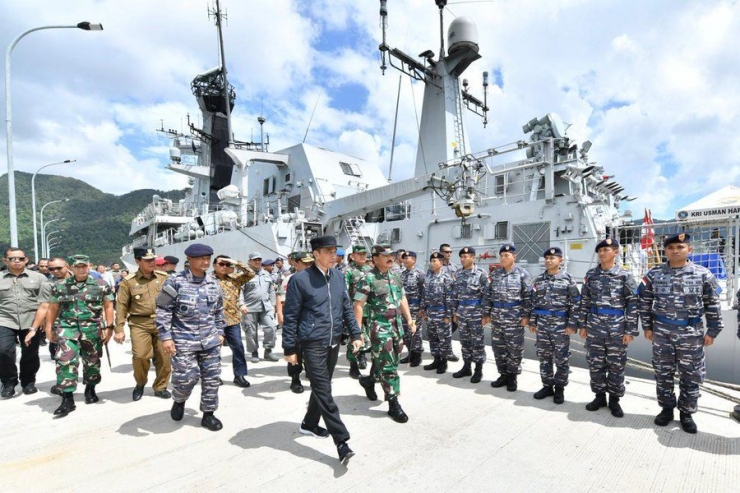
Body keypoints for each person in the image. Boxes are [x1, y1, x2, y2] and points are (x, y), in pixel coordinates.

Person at [282, 236, 363, 466]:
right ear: (316, 253)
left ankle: (309, 424)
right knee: (324, 389)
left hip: (333, 341)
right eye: (328, 251)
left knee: (321, 386)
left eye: (334, 251)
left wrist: (355, 334)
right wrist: (290, 348)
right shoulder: (300, 280)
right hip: (312, 342)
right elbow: (290, 316)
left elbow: (346, 307)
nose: (333, 255)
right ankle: (341, 441)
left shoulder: (338, 276)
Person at [639, 234, 723, 433]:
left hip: (691, 333)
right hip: (662, 333)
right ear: (664, 251)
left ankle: (686, 412)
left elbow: (713, 304)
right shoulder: (653, 274)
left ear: (689, 249)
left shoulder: (703, 274)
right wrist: (647, 327)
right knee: (663, 372)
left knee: (691, 374)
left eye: (679, 246)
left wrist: (713, 330)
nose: (675, 251)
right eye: (670, 247)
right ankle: (666, 409)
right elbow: (644, 302)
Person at [156, 243, 226, 431]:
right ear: (189, 259)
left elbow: (219, 310)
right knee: (187, 377)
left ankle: (208, 414)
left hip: (210, 340)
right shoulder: (176, 281)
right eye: (200, 259)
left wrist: (220, 331)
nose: (205, 262)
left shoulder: (213, 282)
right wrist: (166, 337)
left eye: (207, 259)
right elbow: (163, 310)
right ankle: (179, 400)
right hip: (183, 340)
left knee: (212, 378)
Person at [46, 255, 115, 416]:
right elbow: (53, 308)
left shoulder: (100, 285)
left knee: (92, 360)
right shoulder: (60, 286)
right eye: (77, 266)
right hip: (67, 328)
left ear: (89, 266)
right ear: (71, 267)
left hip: (92, 328)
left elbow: (109, 306)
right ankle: (67, 397)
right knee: (65, 360)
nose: (81, 269)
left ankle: (90, 388)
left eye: (84, 266)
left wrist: (109, 326)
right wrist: (49, 327)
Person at [354, 245, 416, 423]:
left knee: (389, 360)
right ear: (375, 258)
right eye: (386, 255)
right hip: (380, 328)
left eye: (392, 255)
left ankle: (369, 380)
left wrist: (409, 320)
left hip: (397, 327)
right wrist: (358, 333)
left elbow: (402, 298)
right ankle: (393, 403)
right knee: (389, 367)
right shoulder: (368, 278)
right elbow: (358, 304)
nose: (391, 258)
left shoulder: (395, 276)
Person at [577, 238, 638, 418]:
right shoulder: (591, 275)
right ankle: (599, 396)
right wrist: (583, 324)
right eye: (600, 250)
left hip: (616, 328)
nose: (602, 253)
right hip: (594, 327)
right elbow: (585, 301)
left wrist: (630, 330)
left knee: (616, 365)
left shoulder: (624, 276)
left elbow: (633, 303)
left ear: (616, 252)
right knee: (595, 364)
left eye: (606, 250)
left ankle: (614, 400)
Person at [114, 247, 172, 401]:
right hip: (139, 323)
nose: (152, 262)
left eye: (153, 259)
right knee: (140, 356)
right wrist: (119, 328)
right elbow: (121, 305)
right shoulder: (129, 281)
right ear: (137, 261)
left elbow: (175, 300)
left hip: (162, 322)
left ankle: (160, 386)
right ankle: (140, 383)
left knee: (164, 357)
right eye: (147, 260)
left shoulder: (163, 277)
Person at [528, 247, 580, 403]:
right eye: (547, 258)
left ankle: (560, 389)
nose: (549, 261)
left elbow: (575, 303)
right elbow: (533, 302)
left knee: (562, 358)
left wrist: (572, 324)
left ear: (560, 260)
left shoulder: (568, 279)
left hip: (561, 326)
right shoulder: (538, 280)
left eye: (553, 258)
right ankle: (547, 386)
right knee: (544, 357)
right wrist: (533, 321)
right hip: (542, 325)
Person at [484, 244, 533, 391]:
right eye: (502, 255)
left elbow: (529, 297)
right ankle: (503, 374)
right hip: (497, 318)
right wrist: (486, 313)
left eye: (507, 255)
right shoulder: (495, 274)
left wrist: (526, 315)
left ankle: (512, 377)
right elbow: (488, 295)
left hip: (514, 318)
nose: (503, 258)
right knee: (498, 348)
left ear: (514, 256)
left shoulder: (523, 274)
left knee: (514, 349)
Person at [0, 248, 48, 398]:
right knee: (3, 351)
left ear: (26, 260)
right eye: (13, 258)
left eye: (20, 258)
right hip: (5, 319)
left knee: (30, 353)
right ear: (5, 260)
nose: (17, 261)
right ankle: (9, 381)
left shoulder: (39, 278)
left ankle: (28, 381)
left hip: (31, 320)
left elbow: (45, 303)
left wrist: (44, 323)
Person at [29, 257, 72, 392]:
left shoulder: (81, 278)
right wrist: (40, 328)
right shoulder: (48, 285)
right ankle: (63, 384)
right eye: (51, 269)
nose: (55, 271)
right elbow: (44, 307)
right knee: (62, 356)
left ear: (67, 266)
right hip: (61, 325)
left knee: (90, 359)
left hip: (86, 324)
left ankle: (90, 387)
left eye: (59, 268)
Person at [212, 254, 255, 388]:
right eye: (221, 264)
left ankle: (239, 375)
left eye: (227, 264)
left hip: (232, 320)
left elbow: (251, 273)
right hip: (213, 320)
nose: (225, 267)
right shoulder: (207, 279)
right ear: (214, 265)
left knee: (238, 348)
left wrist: (235, 262)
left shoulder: (235, 278)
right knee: (214, 350)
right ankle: (214, 375)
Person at [449, 246, 489, 383]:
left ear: (473, 258)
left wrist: (485, 314)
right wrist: (455, 312)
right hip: (461, 313)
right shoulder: (458, 274)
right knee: (464, 341)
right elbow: (454, 294)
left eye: (466, 256)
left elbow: (486, 295)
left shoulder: (481, 273)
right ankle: (467, 367)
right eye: (461, 257)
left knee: (477, 342)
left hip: (476, 314)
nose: (463, 259)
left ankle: (478, 370)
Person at [276, 252, 313, 393]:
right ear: (296, 263)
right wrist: (280, 314)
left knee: (311, 350)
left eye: (310, 263)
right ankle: (295, 378)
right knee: (295, 349)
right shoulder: (289, 279)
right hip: (295, 320)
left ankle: (310, 372)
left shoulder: (316, 278)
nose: (309, 266)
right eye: (306, 263)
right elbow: (280, 297)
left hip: (310, 321)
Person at [420, 252, 453, 374]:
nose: (432, 263)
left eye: (435, 261)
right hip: (430, 312)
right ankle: (436, 359)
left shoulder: (447, 278)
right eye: (431, 261)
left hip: (442, 313)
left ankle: (443, 362)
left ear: (442, 263)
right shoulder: (428, 277)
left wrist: (448, 315)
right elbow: (425, 295)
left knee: (443, 339)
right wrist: (423, 310)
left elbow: (450, 298)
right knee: (432, 338)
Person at [242, 252, 279, 363]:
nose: (257, 262)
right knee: (251, 331)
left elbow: (271, 290)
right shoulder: (244, 274)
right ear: (249, 261)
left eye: (259, 260)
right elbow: (239, 291)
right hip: (249, 307)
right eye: (255, 260)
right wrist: (241, 304)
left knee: (271, 327)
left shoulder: (266, 274)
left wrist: (273, 305)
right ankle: (254, 352)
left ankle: (268, 350)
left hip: (265, 306)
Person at [344, 245, 371, 378]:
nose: (362, 256)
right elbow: (344, 293)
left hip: (369, 310)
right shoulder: (348, 271)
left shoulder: (369, 270)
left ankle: (362, 357)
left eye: (364, 254)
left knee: (368, 337)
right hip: (355, 311)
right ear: (352, 256)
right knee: (354, 337)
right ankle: (353, 365)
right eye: (359, 254)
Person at [399, 251, 425, 367]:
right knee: (405, 332)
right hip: (404, 307)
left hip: (415, 307)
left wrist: (422, 307)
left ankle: (417, 355)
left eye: (407, 258)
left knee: (415, 332)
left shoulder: (420, 274)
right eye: (403, 258)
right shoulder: (401, 274)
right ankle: (410, 353)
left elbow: (425, 292)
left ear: (414, 260)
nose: (404, 260)